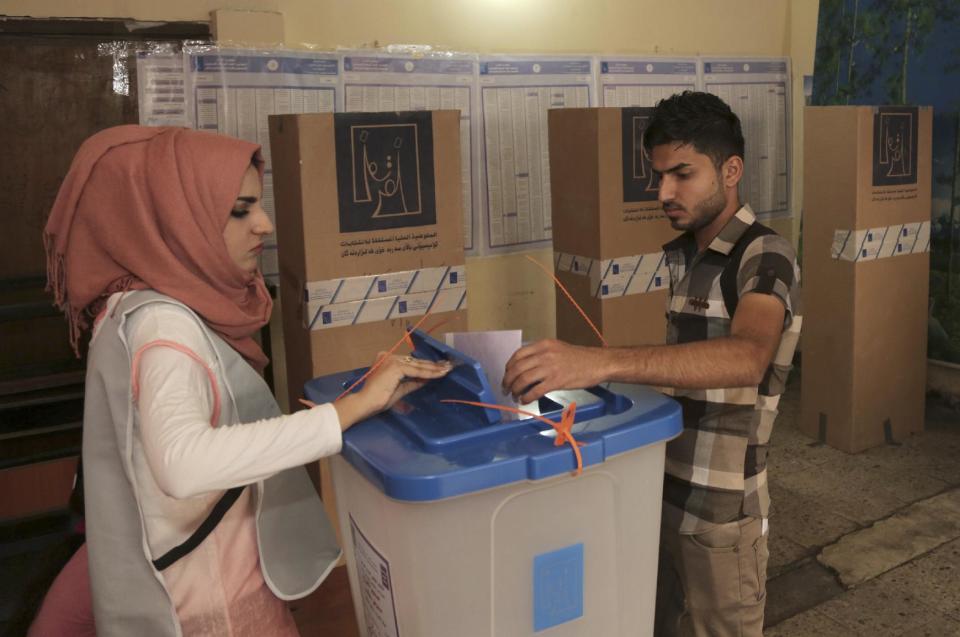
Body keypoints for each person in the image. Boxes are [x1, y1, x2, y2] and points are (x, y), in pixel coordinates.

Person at [33, 125, 451, 637]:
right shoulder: (165, 327)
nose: (265, 224)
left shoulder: (130, 304)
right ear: (173, 218)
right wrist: (353, 409)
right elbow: (184, 464)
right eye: (240, 210)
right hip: (211, 604)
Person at [503, 91, 801, 636]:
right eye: (659, 175)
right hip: (662, 492)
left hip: (720, 514)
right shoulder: (687, 255)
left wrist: (598, 363)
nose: (664, 191)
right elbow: (681, 370)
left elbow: (747, 357)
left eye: (682, 174)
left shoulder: (764, 254)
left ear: (731, 170)